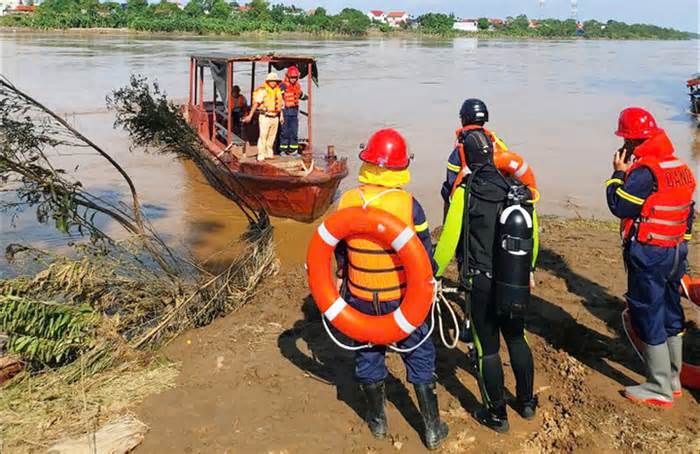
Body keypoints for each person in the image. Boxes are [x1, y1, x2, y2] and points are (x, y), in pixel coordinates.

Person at [334, 128, 449, 450]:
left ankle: (378, 423)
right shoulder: (409, 205)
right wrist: (432, 281)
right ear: (401, 167)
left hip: (360, 297)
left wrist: (342, 272)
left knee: (368, 352)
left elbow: (337, 245)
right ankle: (431, 428)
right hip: (401, 299)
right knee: (419, 352)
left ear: (367, 162)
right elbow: (424, 255)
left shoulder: (348, 200)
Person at [439, 99, 538, 433]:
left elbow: (448, 242)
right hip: (515, 278)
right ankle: (526, 403)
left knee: (487, 348)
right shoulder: (517, 191)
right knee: (518, 338)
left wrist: (433, 274)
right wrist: (531, 270)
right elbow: (532, 237)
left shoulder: (465, 194)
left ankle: (497, 414)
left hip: (481, 279)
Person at [606, 107, 696, 408]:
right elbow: (688, 212)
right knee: (672, 311)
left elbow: (620, 206)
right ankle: (672, 379)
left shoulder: (645, 172)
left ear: (631, 141)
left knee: (648, 313)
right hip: (675, 252)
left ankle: (658, 387)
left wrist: (617, 173)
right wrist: (681, 245)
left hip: (650, 253)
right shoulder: (678, 165)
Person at [243, 72, 284, 161]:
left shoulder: (278, 90)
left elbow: (280, 105)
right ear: (268, 81)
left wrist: (281, 116)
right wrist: (250, 115)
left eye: (275, 81)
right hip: (265, 116)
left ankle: (269, 153)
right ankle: (261, 155)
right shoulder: (263, 91)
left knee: (272, 136)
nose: (273, 83)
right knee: (263, 136)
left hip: (275, 117)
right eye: (272, 81)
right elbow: (256, 104)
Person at [279, 66, 306, 155]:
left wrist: (307, 97)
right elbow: (279, 98)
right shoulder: (283, 85)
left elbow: (301, 95)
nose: (293, 79)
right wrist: (281, 114)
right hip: (285, 111)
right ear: (288, 76)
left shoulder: (297, 86)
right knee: (285, 131)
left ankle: (293, 150)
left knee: (294, 131)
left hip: (294, 111)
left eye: (295, 77)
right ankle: (283, 150)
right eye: (292, 77)